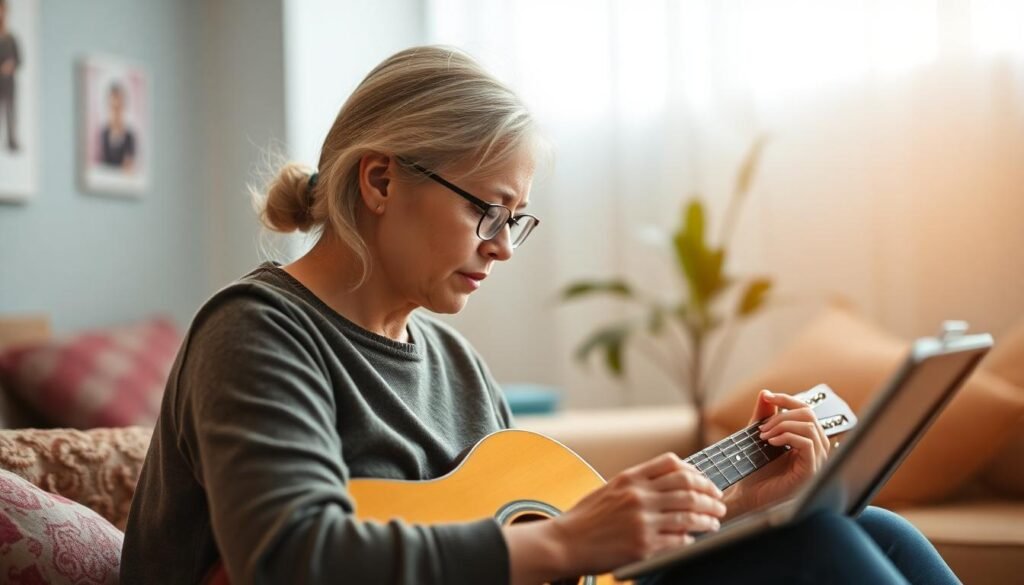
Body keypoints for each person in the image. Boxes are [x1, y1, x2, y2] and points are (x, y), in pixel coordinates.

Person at [120, 46, 959, 585]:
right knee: (824, 553)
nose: (504, 247)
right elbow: (289, 555)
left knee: (870, 528)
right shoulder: (258, 331)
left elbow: (552, 563)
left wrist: (732, 506)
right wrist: (567, 541)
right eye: (489, 211)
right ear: (379, 182)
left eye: (516, 220)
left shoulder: (453, 363)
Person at [99, 82, 136, 170]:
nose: (115, 112)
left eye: (118, 107)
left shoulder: (129, 137)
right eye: (113, 107)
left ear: (123, 107)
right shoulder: (103, 133)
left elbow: (128, 168)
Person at [0, 0, 20, 152]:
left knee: (11, 112)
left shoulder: (11, 38)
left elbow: (19, 59)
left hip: (10, 83)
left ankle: (11, 141)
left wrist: (11, 65)